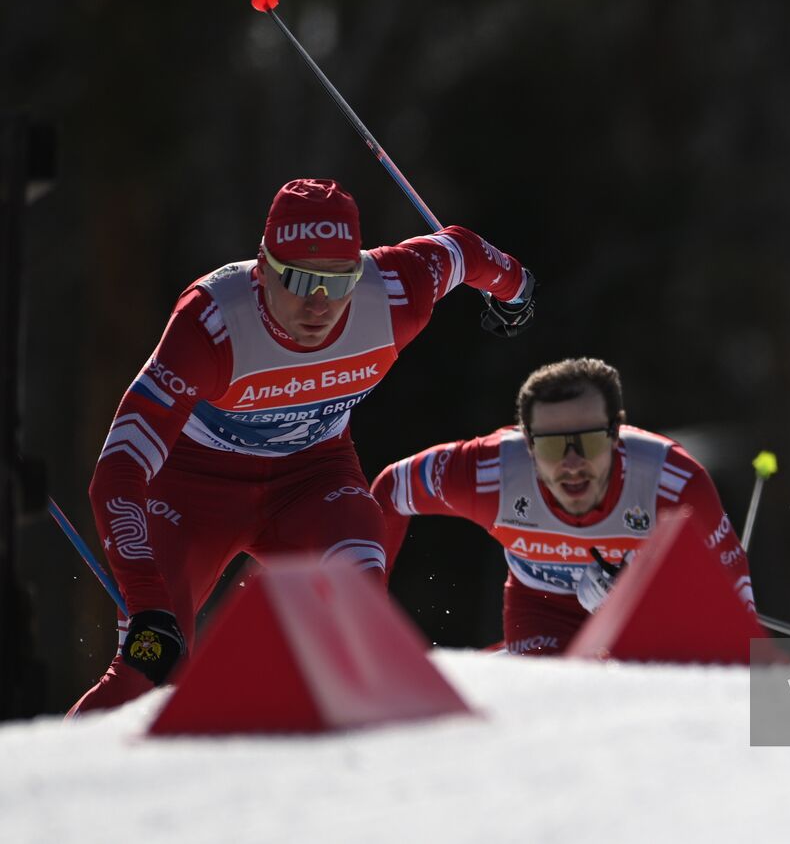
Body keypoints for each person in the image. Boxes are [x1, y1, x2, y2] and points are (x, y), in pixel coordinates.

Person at [70, 178, 536, 715]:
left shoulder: (394, 293)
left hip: (312, 482)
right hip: (194, 492)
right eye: (298, 279)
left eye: (339, 282)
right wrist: (148, 602)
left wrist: (517, 286)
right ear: (262, 269)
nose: (319, 304)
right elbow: (118, 469)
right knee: (149, 670)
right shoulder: (212, 323)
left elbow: (463, 250)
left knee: (357, 613)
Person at [371, 357, 757, 655]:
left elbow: (733, 593)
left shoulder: (671, 481)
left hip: (647, 613)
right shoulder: (488, 473)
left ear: (615, 435)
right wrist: (365, 616)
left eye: (588, 442)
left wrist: (651, 595)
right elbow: (390, 490)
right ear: (528, 444)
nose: (572, 464)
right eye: (553, 446)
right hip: (542, 608)